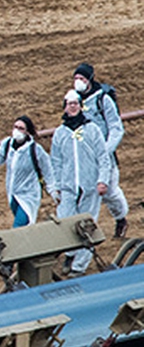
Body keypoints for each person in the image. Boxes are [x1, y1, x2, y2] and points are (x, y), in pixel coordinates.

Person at [51, 90, 114, 275]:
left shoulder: (92, 129)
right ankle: (70, 254)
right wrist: (56, 187)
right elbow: (56, 162)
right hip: (68, 187)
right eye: (69, 103)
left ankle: (79, 267)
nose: (72, 106)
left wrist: (103, 180)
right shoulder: (60, 133)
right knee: (67, 221)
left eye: (75, 103)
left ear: (80, 106)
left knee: (88, 224)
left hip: (90, 185)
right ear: (64, 107)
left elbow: (103, 157)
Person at [72, 62, 128, 238]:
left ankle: (121, 218)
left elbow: (116, 128)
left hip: (104, 156)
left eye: (81, 78)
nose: (78, 82)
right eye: (75, 78)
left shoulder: (102, 99)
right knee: (84, 194)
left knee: (109, 192)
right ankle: (85, 232)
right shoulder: (74, 100)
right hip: (83, 157)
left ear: (89, 79)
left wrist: (105, 150)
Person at [0, 115, 51, 228]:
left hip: (29, 196)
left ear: (27, 132)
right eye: (15, 127)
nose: (17, 131)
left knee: (18, 227)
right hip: (12, 195)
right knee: (24, 229)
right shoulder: (7, 144)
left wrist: (53, 189)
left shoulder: (35, 149)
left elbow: (48, 169)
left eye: (21, 128)